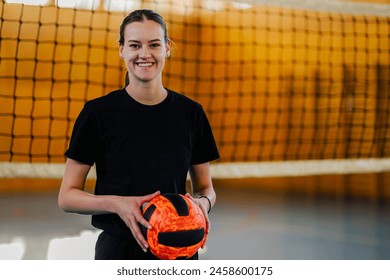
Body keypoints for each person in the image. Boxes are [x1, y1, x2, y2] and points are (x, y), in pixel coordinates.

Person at [58, 9, 220, 260]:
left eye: (154, 44)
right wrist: (117, 204)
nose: (145, 54)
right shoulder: (97, 113)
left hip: (179, 247)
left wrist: (202, 204)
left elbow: (205, 188)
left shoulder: (191, 113)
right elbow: (67, 197)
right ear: (122, 49)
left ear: (166, 48)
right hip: (118, 250)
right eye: (135, 45)